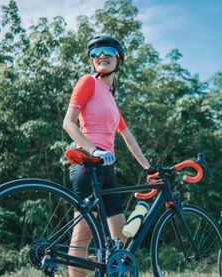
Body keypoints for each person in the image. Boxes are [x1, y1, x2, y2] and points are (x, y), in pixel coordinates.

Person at [63, 34, 153, 277]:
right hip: (88, 163)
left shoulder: (111, 99)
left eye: (108, 51)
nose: (101, 55)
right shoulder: (87, 82)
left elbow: (127, 136)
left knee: (120, 239)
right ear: (92, 61)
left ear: (118, 58)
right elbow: (68, 124)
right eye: (95, 53)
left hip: (107, 169)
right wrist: (94, 150)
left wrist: (149, 168)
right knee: (83, 235)